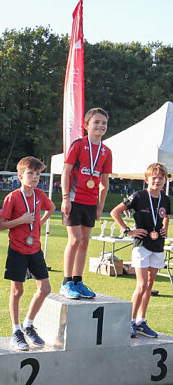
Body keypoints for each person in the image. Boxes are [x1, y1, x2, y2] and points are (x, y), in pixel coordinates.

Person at [0, 156, 55, 351]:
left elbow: (51, 208)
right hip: (17, 250)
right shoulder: (12, 197)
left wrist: (39, 223)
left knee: (45, 288)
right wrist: (21, 220)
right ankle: (16, 331)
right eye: (30, 173)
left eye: (37, 174)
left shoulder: (39, 194)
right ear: (20, 176)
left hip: (35, 248)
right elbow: (0, 225)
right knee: (17, 291)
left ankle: (28, 325)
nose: (35, 177)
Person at [110, 163, 170, 338]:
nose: (157, 181)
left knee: (150, 285)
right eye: (154, 178)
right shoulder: (138, 196)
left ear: (165, 181)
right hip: (141, 245)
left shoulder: (165, 199)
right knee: (142, 285)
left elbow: (166, 216)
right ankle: (130, 321)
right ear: (147, 180)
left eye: (161, 178)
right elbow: (115, 212)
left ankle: (141, 321)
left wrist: (165, 228)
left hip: (158, 245)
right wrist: (128, 230)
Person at [60, 108, 112, 299]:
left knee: (85, 241)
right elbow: (66, 172)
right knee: (74, 240)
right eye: (96, 122)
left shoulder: (106, 151)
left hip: (91, 203)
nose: (100, 126)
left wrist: (100, 207)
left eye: (104, 123)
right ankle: (66, 283)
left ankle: (78, 281)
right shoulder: (78, 145)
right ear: (86, 125)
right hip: (74, 199)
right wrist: (65, 197)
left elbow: (104, 183)